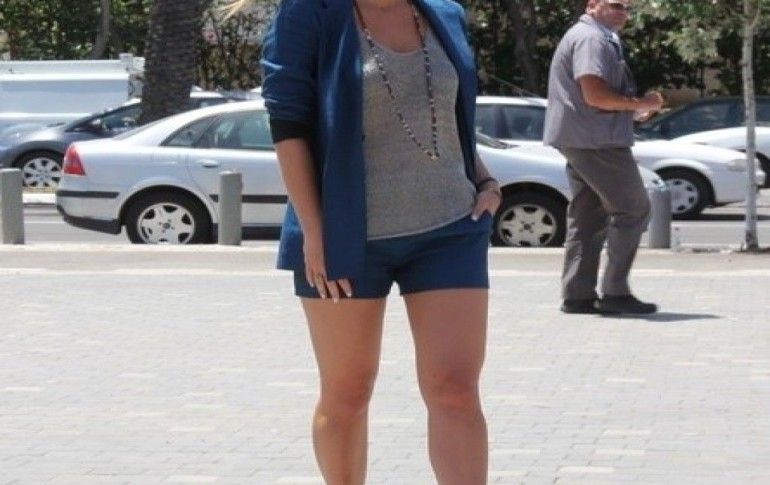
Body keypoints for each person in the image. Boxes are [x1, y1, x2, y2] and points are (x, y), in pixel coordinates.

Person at [249, 0, 501, 482]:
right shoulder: (309, 13)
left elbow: (446, 115)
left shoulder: (444, 13)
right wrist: (315, 231)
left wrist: (485, 180)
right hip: (345, 233)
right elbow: (288, 125)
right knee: (347, 392)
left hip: (450, 229)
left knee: (455, 390)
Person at [543, 0, 664, 315]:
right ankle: (615, 292)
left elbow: (594, 96)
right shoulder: (592, 38)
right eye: (615, 4)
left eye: (627, 7)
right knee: (634, 209)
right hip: (597, 142)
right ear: (592, 5)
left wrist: (634, 109)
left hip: (583, 139)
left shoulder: (595, 36)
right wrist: (641, 102)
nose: (623, 12)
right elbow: (595, 95)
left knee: (588, 216)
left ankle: (578, 295)